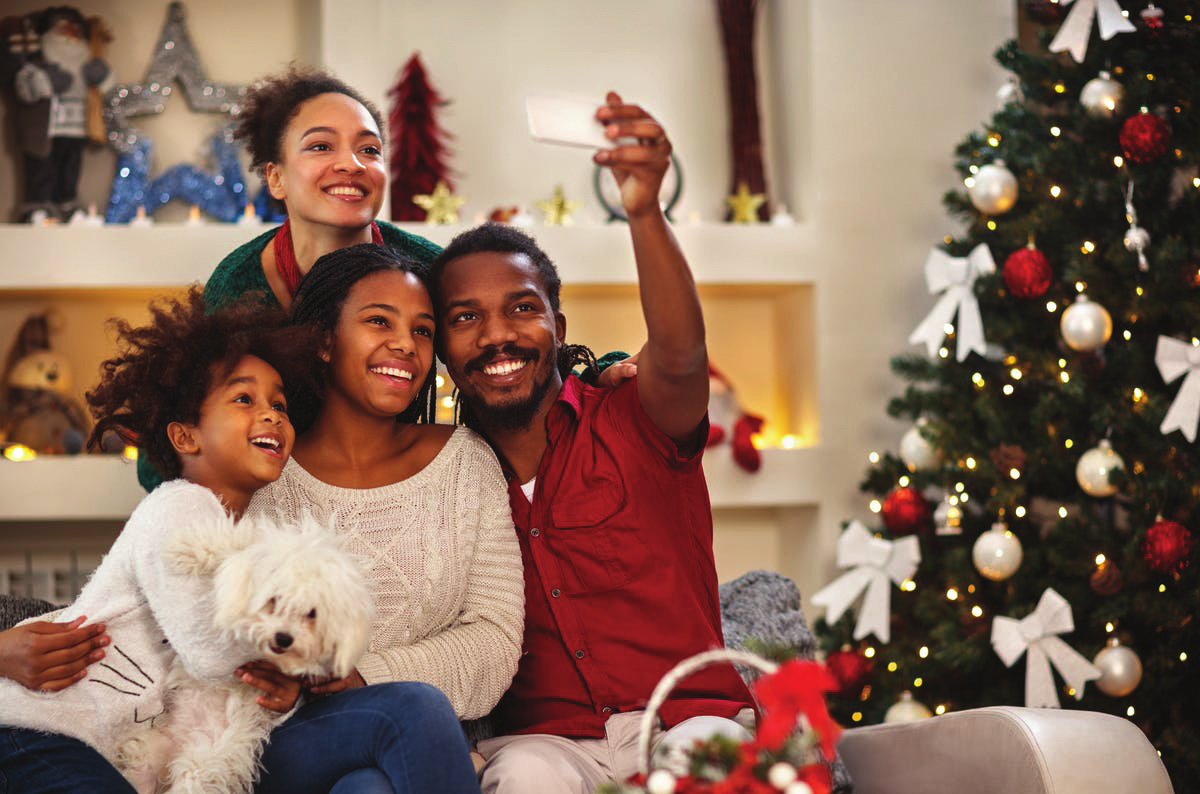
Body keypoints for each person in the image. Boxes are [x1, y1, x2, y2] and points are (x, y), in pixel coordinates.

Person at [429, 92, 756, 793]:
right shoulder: (441, 478)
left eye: (522, 308)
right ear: (442, 352)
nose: (496, 336)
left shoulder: (633, 415)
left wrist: (644, 212)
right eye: (465, 318)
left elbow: (679, 352)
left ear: (557, 322)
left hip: (688, 719)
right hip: (546, 743)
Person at [244, 243, 524, 791]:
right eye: (379, 321)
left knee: (367, 790)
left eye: (422, 330)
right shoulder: (266, 470)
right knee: (412, 710)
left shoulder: (464, 462)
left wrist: (365, 675)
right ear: (325, 339)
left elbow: (494, 640)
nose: (405, 344)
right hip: (280, 737)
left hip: (408, 750)